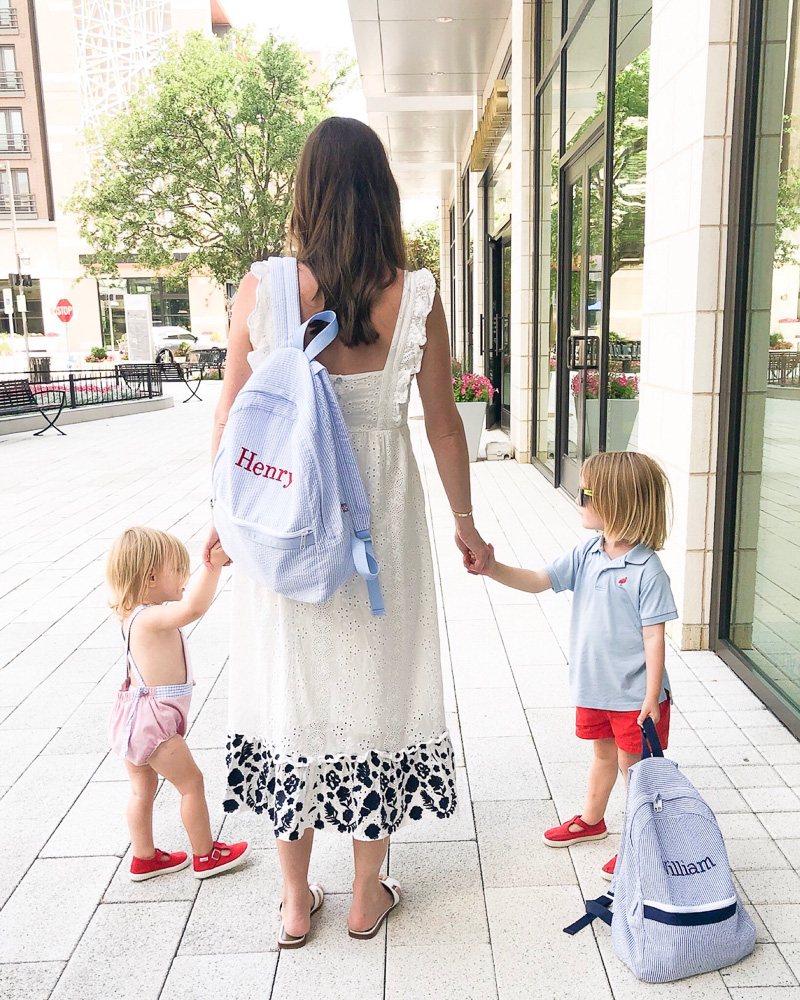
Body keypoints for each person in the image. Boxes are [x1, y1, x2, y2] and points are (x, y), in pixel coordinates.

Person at [205, 117, 490, 947]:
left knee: (292, 691)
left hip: (285, 519)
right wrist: (467, 527)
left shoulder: (260, 288)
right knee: (375, 690)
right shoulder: (418, 295)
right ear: (383, 193)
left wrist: (221, 519)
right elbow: (443, 427)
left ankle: (296, 902)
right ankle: (368, 894)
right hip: (379, 522)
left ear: (307, 190)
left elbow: (231, 417)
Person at [474, 451, 677, 881]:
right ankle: (593, 820)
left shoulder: (647, 570)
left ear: (617, 502)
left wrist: (650, 697)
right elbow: (538, 580)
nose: (579, 499)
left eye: (588, 493)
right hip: (595, 690)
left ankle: (643, 845)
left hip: (634, 698)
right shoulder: (587, 553)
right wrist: (493, 568)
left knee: (636, 772)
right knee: (603, 754)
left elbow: (655, 637)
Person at [106, 526, 251, 882]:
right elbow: (192, 609)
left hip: (132, 720)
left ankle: (144, 858)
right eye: (179, 570)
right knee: (191, 784)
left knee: (142, 789)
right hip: (154, 725)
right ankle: (206, 855)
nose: (185, 577)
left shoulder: (132, 617)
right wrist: (212, 565)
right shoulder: (152, 617)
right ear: (152, 577)